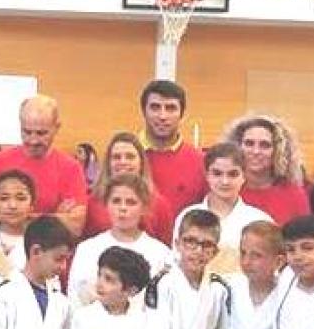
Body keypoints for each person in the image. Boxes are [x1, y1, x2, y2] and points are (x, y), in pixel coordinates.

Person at [0, 95, 87, 237]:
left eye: (41, 133)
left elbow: (75, 226)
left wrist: (12, 218)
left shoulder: (71, 168)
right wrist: (53, 218)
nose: (33, 140)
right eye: (27, 132)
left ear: (56, 127)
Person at [68, 173, 171, 307]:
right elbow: (75, 299)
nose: (123, 208)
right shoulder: (87, 249)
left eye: (131, 202)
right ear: (106, 205)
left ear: (144, 208)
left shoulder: (161, 254)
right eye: (116, 201)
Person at [172, 143, 273, 275]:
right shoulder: (188, 215)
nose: (225, 181)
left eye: (233, 174)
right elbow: (177, 262)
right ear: (207, 175)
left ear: (244, 176)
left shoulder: (259, 220)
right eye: (217, 174)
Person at [85, 131, 174, 243]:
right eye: (116, 157)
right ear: (108, 163)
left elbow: (165, 248)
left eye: (130, 157)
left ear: (141, 162)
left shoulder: (160, 205)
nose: (123, 162)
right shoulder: (92, 202)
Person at [138, 80, 206, 224]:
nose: (162, 116)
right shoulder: (125, 157)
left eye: (170, 108)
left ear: (182, 114)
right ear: (144, 111)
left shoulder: (200, 161)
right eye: (155, 107)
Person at [223, 114, 309, 226]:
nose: (256, 151)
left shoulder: (294, 195)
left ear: (279, 151)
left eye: (265, 145)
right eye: (249, 143)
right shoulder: (223, 188)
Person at [0, 169, 33, 279]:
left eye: (21, 198)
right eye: (4, 198)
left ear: (32, 205)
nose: (12, 205)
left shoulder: (42, 242)